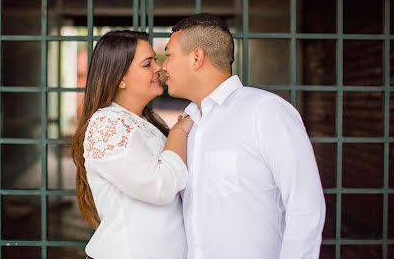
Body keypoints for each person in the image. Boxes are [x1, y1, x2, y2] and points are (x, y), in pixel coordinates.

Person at [162, 13, 326, 259]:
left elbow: (306, 207)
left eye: (168, 55)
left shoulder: (266, 112)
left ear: (196, 58)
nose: (163, 66)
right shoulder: (189, 124)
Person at [72, 30, 192, 259]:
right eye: (147, 64)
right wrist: (180, 131)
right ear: (120, 79)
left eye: (155, 60)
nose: (159, 68)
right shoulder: (106, 126)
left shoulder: (141, 121)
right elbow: (160, 186)